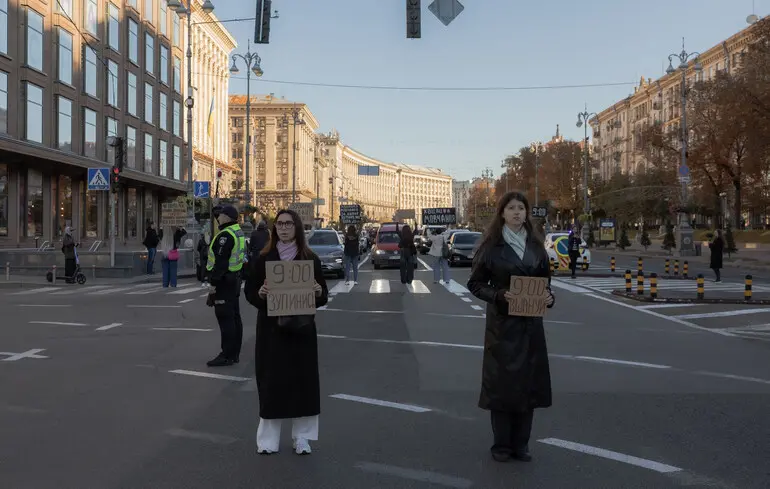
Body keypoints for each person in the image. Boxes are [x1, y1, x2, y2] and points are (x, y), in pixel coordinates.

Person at [467, 190, 556, 463]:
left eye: (521, 208)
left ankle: (522, 445)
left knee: (528, 387)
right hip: (503, 326)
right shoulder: (491, 248)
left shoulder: (537, 246)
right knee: (503, 387)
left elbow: (545, 282)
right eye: (511, 208)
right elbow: (475, 284)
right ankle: (502, 445)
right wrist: (498, 296)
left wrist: (549, 298)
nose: (517, 212)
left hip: (530, 326)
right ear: (502, 214)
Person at [245, 209, 328, 455]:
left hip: (301, 331)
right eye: (279, 224)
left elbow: (323, 294)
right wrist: (260, 294)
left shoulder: (310, 259)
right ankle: (267, 441)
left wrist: (317, 291)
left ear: (297, 228)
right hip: (272, 332)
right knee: (272, 384)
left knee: (303, 385)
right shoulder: (264, 258)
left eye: (288, 224)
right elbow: (250, 291)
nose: (283, 228)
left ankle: (302, 438)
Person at [205, 205, 246, 367]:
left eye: (220, 215)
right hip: (233, 280)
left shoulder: (225, 236)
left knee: (225, 319)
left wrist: (213, 286)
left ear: (227, 217)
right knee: (235, 318)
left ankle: (226, 354)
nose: (218, 218)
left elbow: (220, 263)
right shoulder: (237, 232)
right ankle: (234, 353)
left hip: (224, 282)